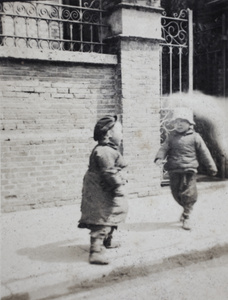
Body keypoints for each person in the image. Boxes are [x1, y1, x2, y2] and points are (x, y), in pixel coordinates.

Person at [154, 107, 217, 230]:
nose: (179, 124)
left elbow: (204, 152)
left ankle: (187, 216)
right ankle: (185, 210)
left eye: (182, 121)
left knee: (189, 193)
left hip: (189, 170)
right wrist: (159, 158)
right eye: (177, 122)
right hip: (174, 169)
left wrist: (211, 166)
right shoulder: (171, 136)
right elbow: (164, 148)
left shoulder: (195, 137)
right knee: (176, 193)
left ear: (190, 124)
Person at [78, 115, 128, 265]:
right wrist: (118, 185)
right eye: (121, 131)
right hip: (100, 189)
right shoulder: (104, 151)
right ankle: (95, 251)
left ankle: (107, 241)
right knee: (102, 217)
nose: (122, 135)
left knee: (113, 212)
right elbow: (109, 172)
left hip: (106, 187)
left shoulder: (109, 149)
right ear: (109, 134)